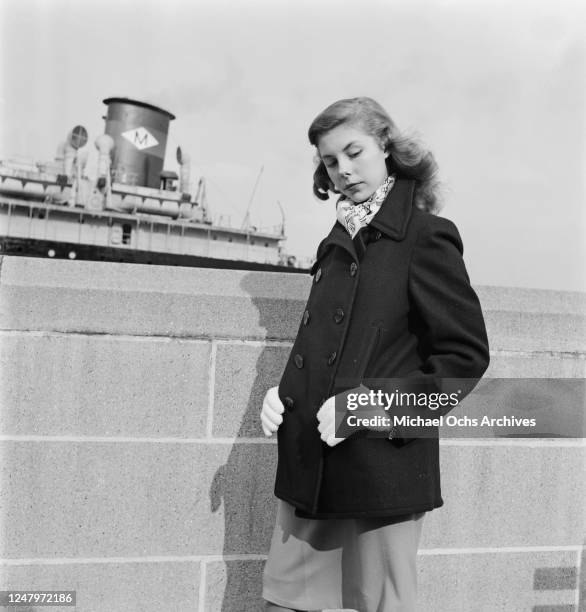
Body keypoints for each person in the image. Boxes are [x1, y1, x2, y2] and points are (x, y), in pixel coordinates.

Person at [260, 97, 490, 612]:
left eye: (354, 152)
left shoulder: (426, 237)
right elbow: (331, 342)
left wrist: (369, 406)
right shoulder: (336, 240)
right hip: (309, 466)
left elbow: (463, 358)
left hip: (378, 471)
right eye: (329, 161)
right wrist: (286, 393)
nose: (343, 170)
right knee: (284, 604)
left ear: (384, 144)